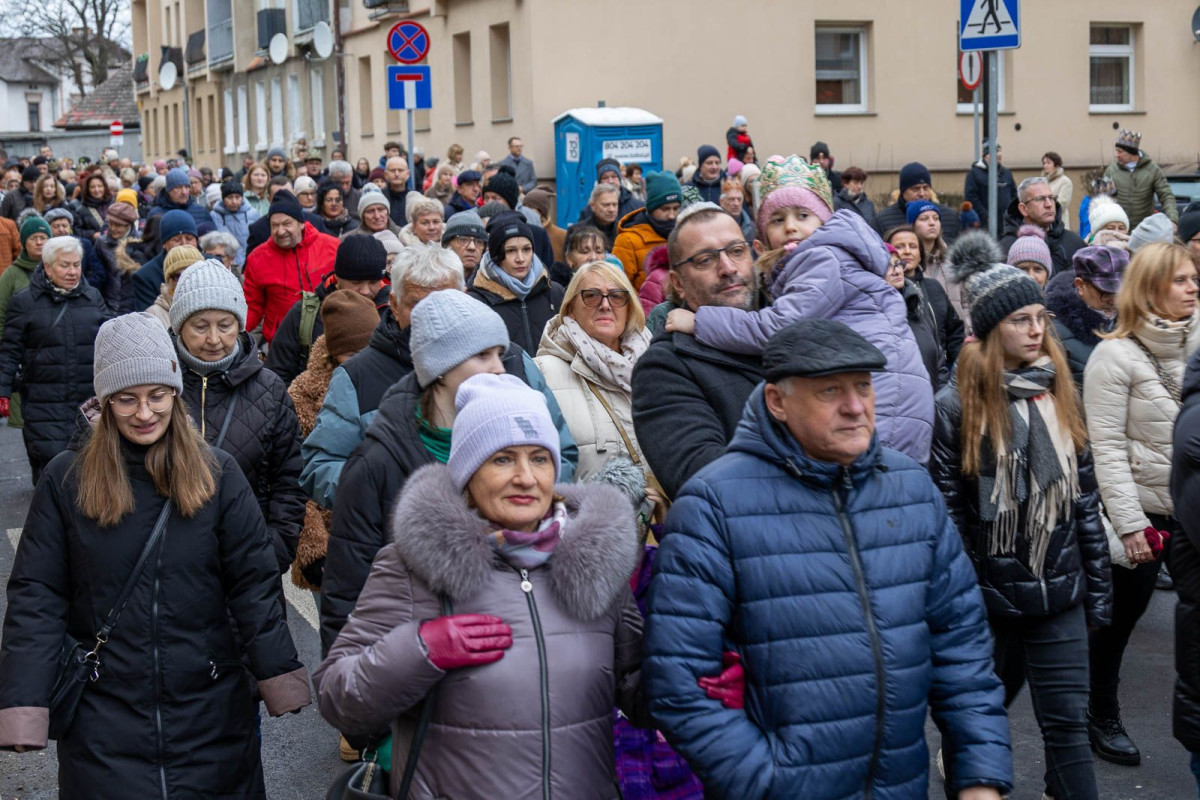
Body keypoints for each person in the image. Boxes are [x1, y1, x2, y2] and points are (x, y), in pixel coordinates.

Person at [646, 317, 1012, 799]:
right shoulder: (714, 504)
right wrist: (768, 782)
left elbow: (961, 648)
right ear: (777, 401)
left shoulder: (910, 489)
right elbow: (680, 683)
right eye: (830, 391)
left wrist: (980, 778)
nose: (856, 407)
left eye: (863, 386)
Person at [0, 312, 310, 793]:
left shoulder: (218, 474)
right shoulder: (67, 480)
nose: (145, 413)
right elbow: (36, 597)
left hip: (211, 711)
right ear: (104, 402)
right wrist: (24, 704)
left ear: (174, 393)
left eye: (157, 395)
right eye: (126, 399)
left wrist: (278, 672)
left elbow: (251, 581)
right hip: (102, 717)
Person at [315, 371, 639, 797]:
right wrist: (419, 651)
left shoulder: (594, 561)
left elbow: (637, 686)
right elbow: (339, 698)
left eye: (539, 458)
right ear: (468, 472)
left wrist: (700, 681)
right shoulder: (413, 566)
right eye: (503, 459)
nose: (526, 477)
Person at [931, 236, 1108, 800]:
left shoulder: (1060, 391)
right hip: (989, 599)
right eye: (1020, 320)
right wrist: (965, 600)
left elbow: (1083, 497)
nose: (1037, 331)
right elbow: (949, 512)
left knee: (1069, 733)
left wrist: (1096, 588)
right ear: (989, 330)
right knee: (977, 730)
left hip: (1059, 591)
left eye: (1040, 318)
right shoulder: (955, 406)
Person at [316, 290, 577, 654]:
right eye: (483, 355)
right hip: (417, 664)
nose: (500, 368)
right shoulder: (376, 462)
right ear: (440, 368)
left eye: (500, 355)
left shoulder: (514, 444)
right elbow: (348, 596)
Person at [669, 155, 934, 464]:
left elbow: (777, 330)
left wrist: (700, 321)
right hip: (886, 394)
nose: (791, 227)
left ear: (825, 221)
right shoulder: (820, 261)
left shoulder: (822, 260)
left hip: (882, 398)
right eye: (778, 220)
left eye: (803, 215)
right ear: (764, 237)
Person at [1083, 242, 1199, 766]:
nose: (1193, 286)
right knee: (1118, 623)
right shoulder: (1114, 355)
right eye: (1180, 280)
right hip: (1146, 514)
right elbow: (1104, 447)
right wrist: (1129, 525)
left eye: (1194, 278)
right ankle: (1099, 712)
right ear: (1150, 288)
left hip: (1193, 509)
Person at [298, 247, 464, 509]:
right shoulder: (357, 376)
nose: (434, 315)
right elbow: (320, 466)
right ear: (395, 306)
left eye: (446, 301)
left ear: (465, 298)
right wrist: (384, 491)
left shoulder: (505, 362)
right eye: (417, 304)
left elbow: (550, 451)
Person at [171, 259, 306, 574]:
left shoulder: (269, 389)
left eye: (226, 325)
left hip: (249, 562)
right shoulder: (158, 386)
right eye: (200, 326)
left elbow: (289, 477)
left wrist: (275, 551)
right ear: (180, 326)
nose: (214, 339)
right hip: (171, 566)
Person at [631, 206, 763, 498]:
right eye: (706, 259)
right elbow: (712, 483)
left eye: (737, 251)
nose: (728, 267)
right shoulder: (664, 368)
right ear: (678, 283)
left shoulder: (792, 323)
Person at [287, 290, 380, 594]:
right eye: (354, 354)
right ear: (333, 351)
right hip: (331, 543)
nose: (365, 361)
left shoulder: (391, 379)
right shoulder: (301, 396)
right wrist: (314, 548)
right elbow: (293, 479)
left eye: (371, 349)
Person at [0, 234, 108, 482]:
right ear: (47, 267)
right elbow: (10, 350)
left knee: (89, 467)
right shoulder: (25, 302)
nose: (72, 271)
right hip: (42, 401)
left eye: (76, 264)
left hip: (86, 400)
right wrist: (3, 390)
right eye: (64, 265)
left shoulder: (93, 298)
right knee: (52, 466)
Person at [534, 259, 653, 480]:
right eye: (591, 295)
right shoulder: (543, 373)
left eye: (617, 296)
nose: (606, 305)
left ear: (629, 308)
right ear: (571, 310)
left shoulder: (654, 364)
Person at [265, 235, 389, 385]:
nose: (365, 291)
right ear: (338, 277)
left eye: (373, 282)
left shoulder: (393, 313)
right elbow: (276, 375)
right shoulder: (305, 313)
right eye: (356, 282)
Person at [243, 192, 341, 343]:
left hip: (330, 337)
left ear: (301, 223)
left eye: (287, 224)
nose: (280, 231)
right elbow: (252, 306)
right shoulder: (257, 258)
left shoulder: (332, 248)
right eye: (275, 225)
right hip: (282, 343)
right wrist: (235, 333)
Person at [468, 215, 562, 355]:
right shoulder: (477, 300)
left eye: (526, 249)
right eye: (510, 251)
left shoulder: (553, 292)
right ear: (496, 255)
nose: (520, 259)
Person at [1045, 246, 1127, 388]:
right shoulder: (1056, 332)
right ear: (1080, 285)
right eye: (1106, 292)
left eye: (1120, 291)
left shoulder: (1135, 321)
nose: (1114, 300)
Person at [886, 225, 965, 368]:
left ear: (921, 254)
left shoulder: (933, 287)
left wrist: (957, 368)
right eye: (900, 246)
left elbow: (954, 332)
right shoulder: (886, 293)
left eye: (913, 246)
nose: (907, 251)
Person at [884, 245, 946, 390]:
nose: (897, 270)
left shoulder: (918, 304)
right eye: (888, 265)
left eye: (899, 264)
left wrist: (940, 398)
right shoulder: (873, 315)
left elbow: (939, 359)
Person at [999, 177, 1085, 275]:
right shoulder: (1008, 247)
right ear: (1023, 208)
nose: (1048, 204)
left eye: (1051, 198)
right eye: (1040, 199)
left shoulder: (1074, 241)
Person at [613, 171, 682, 290]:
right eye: (665, 209)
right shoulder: (627, 241)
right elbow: (618, 288)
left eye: (676, 208)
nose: (672, 215)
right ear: (651, 209)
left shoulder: (685, 235)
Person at [1105, 129, 1178, 230]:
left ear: (1131, 152)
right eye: (1116, 150)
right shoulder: (1111, 170)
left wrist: (1172, 219)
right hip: (1120, 230)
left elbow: (1166, 196)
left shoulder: (1152, 170)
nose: (1116, 154)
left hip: (1145, 230)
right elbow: (1103, 199)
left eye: (1120, 151)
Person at [874, 162, 962, 243]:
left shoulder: (949, 217)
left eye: (926, 188)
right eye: (915, 189)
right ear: (903, 191)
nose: (922, 194)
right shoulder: (883, 220)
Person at [132, 209, 200, 310]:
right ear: (164, 244)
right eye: (176, 240)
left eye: (189, 238)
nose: (184, 244)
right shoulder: (146, 276)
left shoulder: (211, 265)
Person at [145, 244, 203, 329]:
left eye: (192, 274)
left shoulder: (214, 308)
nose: (185, 280)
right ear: (169, 281)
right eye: (178, 276)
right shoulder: (154, 316)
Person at [963, 142, 1017, 231]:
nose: (999, 154)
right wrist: (986, 217)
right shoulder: (974, 174)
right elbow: (971, 197)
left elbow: (1014, 195)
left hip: (1006, 225)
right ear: (986, 155)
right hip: (984, 226)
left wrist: (1011, 214)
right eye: (996, 151)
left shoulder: (1007, 173)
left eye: (1000, 151)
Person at [209, 180, 258, 268]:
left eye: (237, 197)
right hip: (225, 264)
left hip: (249, 262)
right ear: (223, 198)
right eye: (230, 197)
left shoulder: (252, 213)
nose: (234, 201)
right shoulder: (215, 215)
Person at [440, 209, 487, 281]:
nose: (472, 247)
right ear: (447, 245)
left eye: (479, 242)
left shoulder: (491, 284)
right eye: (463, 240)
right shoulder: (432, 280)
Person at [522, 188, 565, 265]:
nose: (526, 210)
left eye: (530, 207)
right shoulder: (520, 231)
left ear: (542, 211)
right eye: (524, 206)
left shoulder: (562, 235)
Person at [575, 183, 622, 249]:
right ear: (593, 206)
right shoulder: (577, 231)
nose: (611, 209)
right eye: (606, 205)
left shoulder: (623, 231)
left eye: (614, 205)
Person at [73, 172, 111, 241]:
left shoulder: (113, 204)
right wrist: (92, 234)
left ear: (105, 187)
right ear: (88, 189)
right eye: (92, 187)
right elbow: (77, 231)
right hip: (94, 246)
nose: (97, 190)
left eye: (100, 186)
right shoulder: (81, 210)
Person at [719, 175, 756, 244]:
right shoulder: (714, 226)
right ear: (722, 202)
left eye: (739, 199)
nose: (736, 203)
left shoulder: (752, 227)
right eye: (731, 199)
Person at [838, 165, 877, 230]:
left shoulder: (869, 204)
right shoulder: (837, 203)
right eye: (855, 183)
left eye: (861, 183)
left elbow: (875, 226)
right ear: (845, 184)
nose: (859, 186)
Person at [1043, 152, 1074, 229]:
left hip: (1059, 223)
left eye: (1048, 163)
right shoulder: (1043, 181)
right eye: (1044, 163)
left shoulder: (1065, 181)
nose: (1045, 165)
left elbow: (1062, 203)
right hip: (1044, 224)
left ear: (1056, 165)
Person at [382, 156, 411, 227]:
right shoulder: (379, 197)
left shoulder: (415, 198)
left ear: (408, 174)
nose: (397, 174)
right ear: (386, 175)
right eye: (392, 170)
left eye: (400, 170)